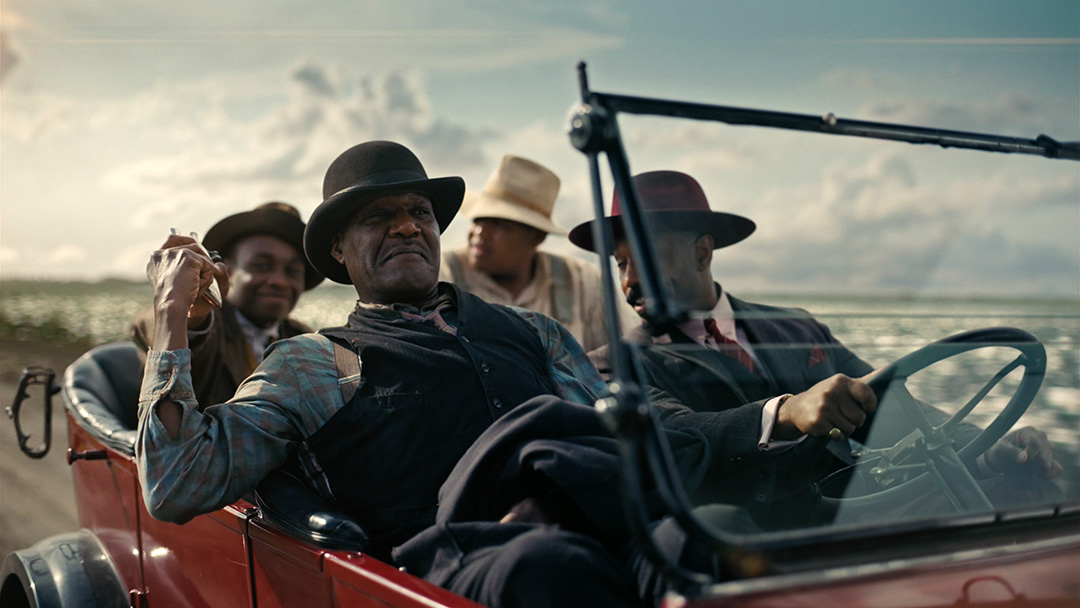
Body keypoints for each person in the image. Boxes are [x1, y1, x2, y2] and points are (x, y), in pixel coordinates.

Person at [135, 141, 713, 608]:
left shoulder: (537, 333)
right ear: (339, 250)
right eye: (379, 216)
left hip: (586, 530)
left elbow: (615, 441)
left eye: (419, 212)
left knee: (700, 535)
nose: (408, 227)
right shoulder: (312, 363)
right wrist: (170, 316)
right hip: (439, 576)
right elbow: (176, 483)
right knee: (543, 567)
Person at [570, 170, 1063, 516]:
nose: (630, 280)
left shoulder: (796, 328)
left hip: (860, 514)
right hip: (748, 546)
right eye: (619, 264)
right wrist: (784, 412)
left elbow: (888, 403)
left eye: (645, 260)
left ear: (702, 253)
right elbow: (675, 438)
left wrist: (987, 449)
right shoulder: (614, 366)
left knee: (1037, 487)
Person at [130, 201, 323, 407]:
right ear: (227, 270)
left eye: (292, 271)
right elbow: (155, 326)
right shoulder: (205, 322)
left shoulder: (303, 340)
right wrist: (188, 314)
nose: (279, 281)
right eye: (262, 266)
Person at [440, 154, 634, 352]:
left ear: (537, 237)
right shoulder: (443, 277)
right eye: (477, 220)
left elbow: (621, 357)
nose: (479, 233)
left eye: (499, 224)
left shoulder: (584, 281)